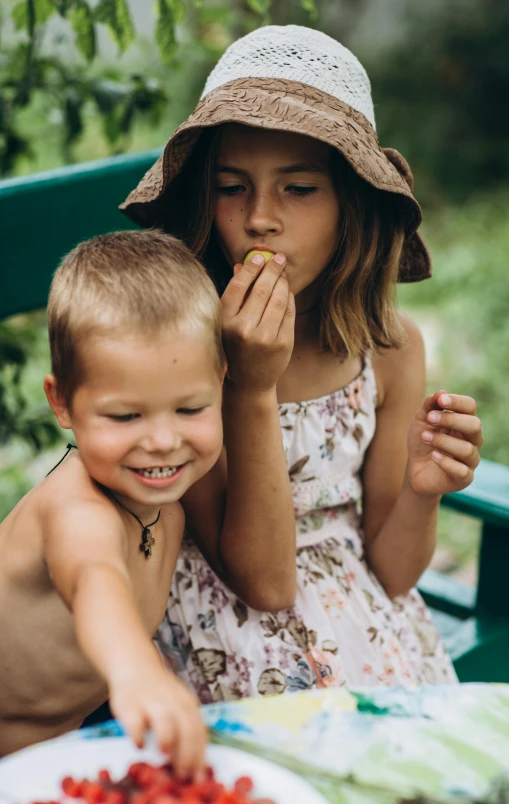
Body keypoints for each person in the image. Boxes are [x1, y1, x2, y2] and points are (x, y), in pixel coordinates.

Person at [120, 25, 483, 700]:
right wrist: (249, 386)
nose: (259, 219)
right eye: (232, 186)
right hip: (227, 648)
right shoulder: (180, 349)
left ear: (352, 204)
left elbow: (394, 571)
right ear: (204, 199)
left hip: (365, 636)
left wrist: (422, 491)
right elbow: (262, 582)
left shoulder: (389, 351)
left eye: (298, 189)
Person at [0, 230, 225, 773]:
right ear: (62, 403)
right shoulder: (76, 509)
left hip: (70, 739)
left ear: (222, 382)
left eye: (191, 409)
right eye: (126, 416)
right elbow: (94, 577)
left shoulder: (168, 504)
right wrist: (135, 668)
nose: (163, 440)